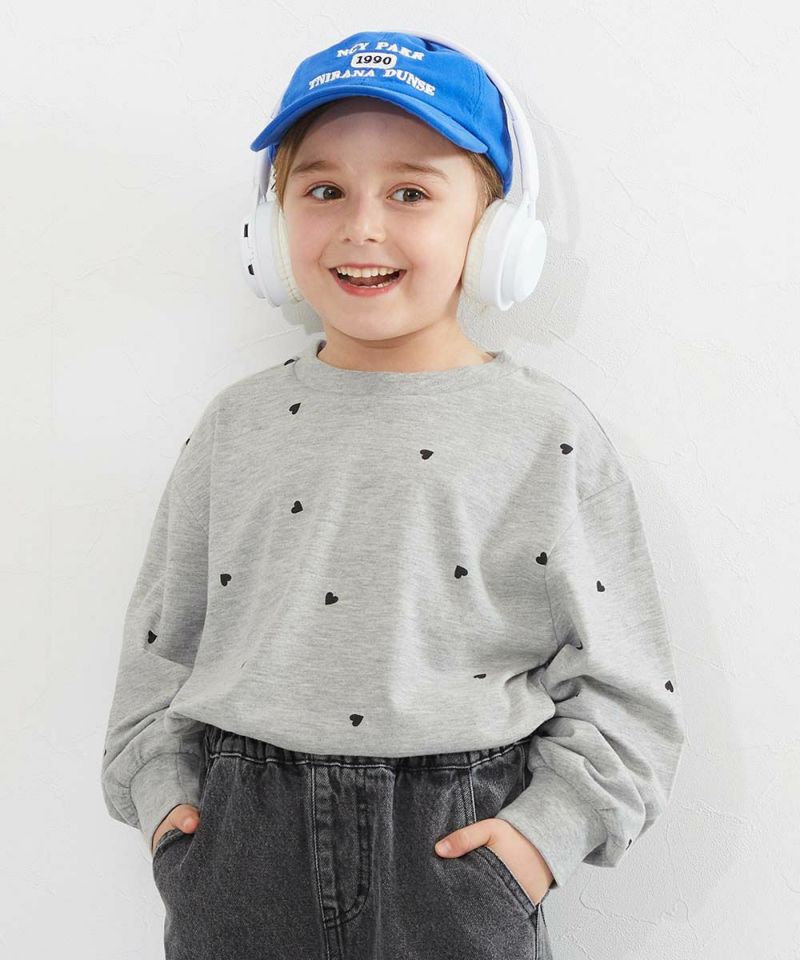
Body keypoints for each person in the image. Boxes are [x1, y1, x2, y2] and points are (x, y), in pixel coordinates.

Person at [100, 30, 685, 960]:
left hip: (453, 850)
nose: (362, 226)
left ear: (494, 234)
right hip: (242, 847)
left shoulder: (546, 433)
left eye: (410, 193)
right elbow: (160, 648)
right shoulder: (235, 425)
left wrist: (537, 845)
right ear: (272, 226)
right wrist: (168, 805)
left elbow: (627, 684)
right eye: (323, 190)